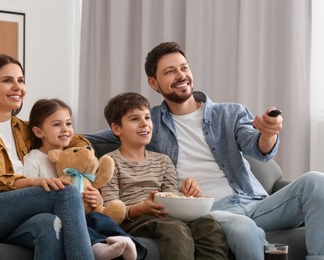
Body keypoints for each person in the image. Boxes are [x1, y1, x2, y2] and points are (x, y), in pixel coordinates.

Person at [85, 42, 324, 260]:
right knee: (243, 228)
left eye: (183, 68)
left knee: (316, 181)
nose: (181, 76)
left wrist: (269, 133)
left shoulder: (229, 113)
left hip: (255, 202)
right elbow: (93, 139)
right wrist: (61, 141)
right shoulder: (149, 122)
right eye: (169, 71)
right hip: (210, 211)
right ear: (153, 83)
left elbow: (257, 147)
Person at [0, 54, 94, 260]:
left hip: (10, 215)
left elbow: (72, 138)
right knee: (65, 192)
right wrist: (31, 182)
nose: (17, 87)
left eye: (20, 80)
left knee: (48, 225)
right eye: (7, 80)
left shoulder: (23, 128)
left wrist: (87, 164)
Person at [99, 92, 228, 260]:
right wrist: (141, 208)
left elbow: (171, 197)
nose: (144, 124)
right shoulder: (109, 162)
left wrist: (185, 193)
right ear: (117, 129)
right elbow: (111, 210)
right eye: (134, 119)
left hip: (165, 216)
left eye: (147, 117)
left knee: (208, 224)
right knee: (173, 228)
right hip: (133, 220)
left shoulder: (163, 161)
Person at [24, 98, 147, 260]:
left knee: (99, 218)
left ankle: (130, 244)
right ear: (39, 132)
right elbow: (31, 197)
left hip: (84, 213)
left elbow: (91, 185)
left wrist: (97, 199)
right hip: (57, 216)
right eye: (56, 125)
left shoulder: (79, 157)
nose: (65, 129)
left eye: (68, 124)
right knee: (76, 225)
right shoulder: (33, 159)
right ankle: (97, 246)